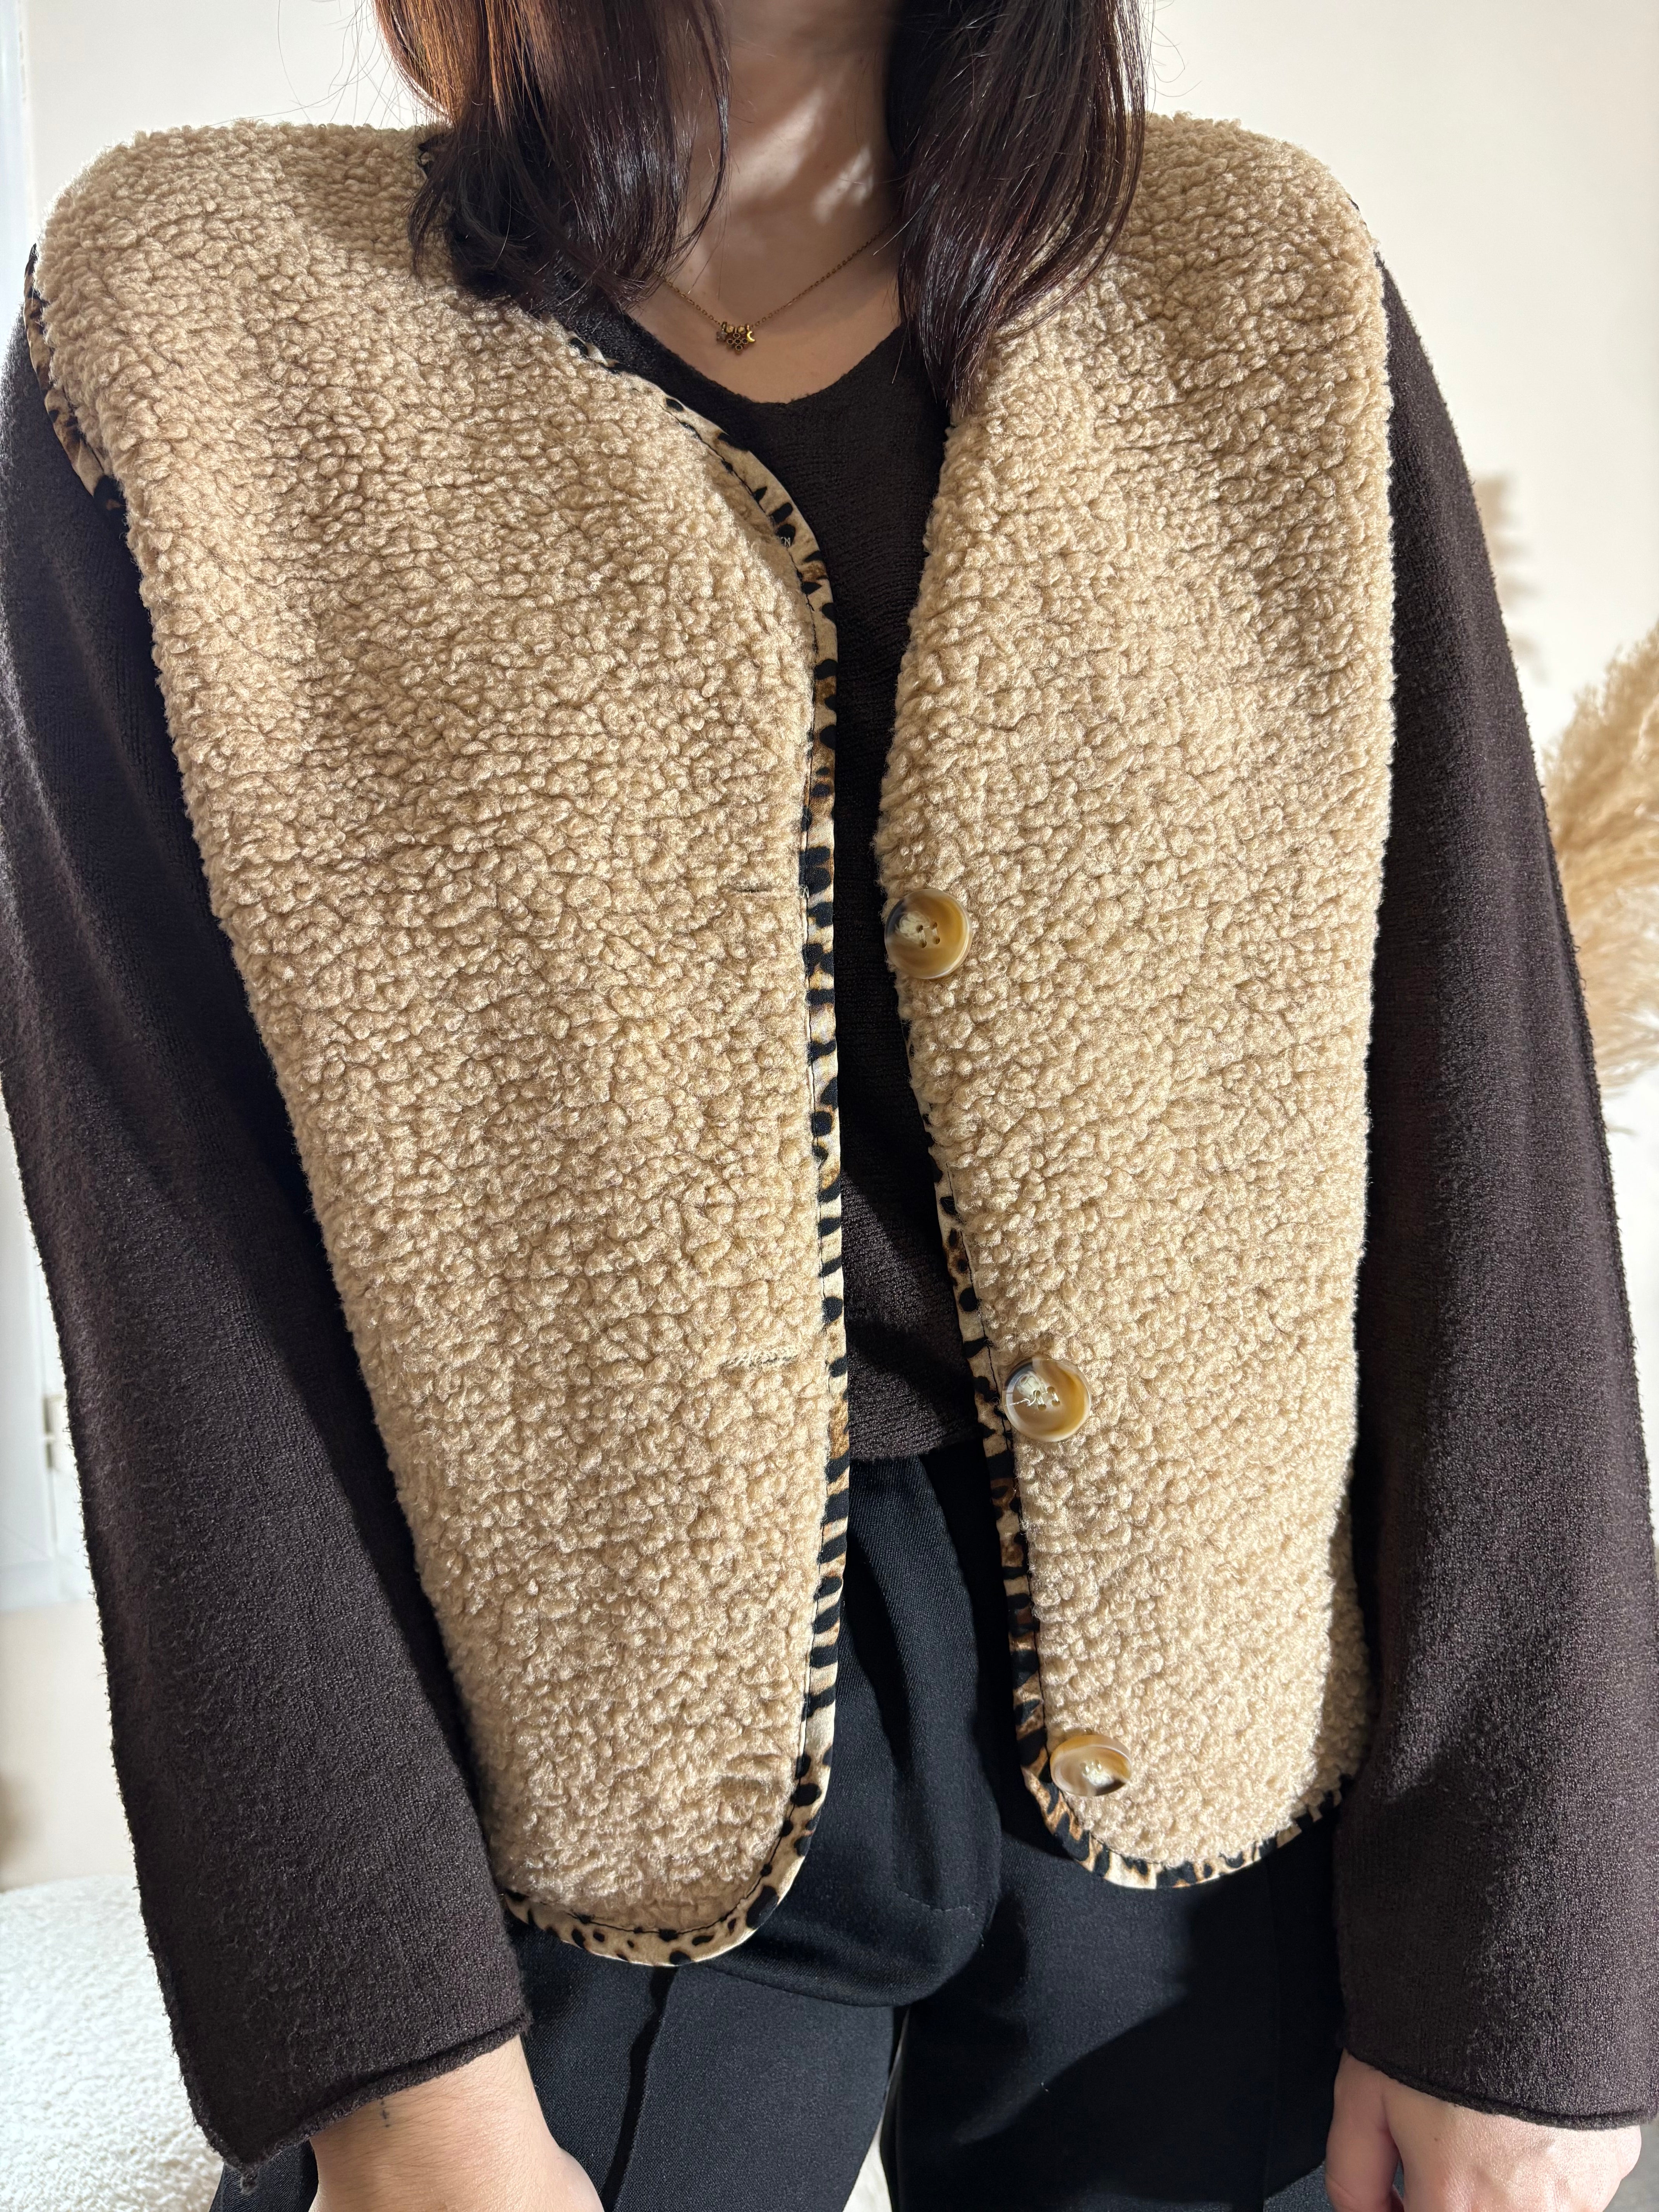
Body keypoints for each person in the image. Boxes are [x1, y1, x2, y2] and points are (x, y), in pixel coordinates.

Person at [1, 0, 1655, 2207]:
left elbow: (1488, 1157)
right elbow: (171, 1263)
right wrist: (393, 2069)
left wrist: (1529, 1984)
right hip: (559, 1765)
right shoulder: (204, 317)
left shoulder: (1257, 283)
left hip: (1220, 1752)